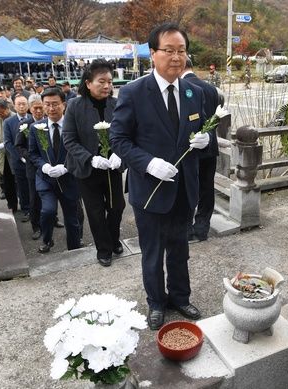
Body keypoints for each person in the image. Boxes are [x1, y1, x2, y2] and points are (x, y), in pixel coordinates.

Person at [110, 22, 208, 330]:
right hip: (149, 189)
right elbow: (119, 139)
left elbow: (203, 128)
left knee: (180, 247)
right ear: (153, 54)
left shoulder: (194, 91)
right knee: (152, 252)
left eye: (181, 51)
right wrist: (149, 163)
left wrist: (204, 141)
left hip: (183, 189)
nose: (176, 57)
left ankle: (180, 296)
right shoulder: (133, 92)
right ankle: (155, 302)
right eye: (169, 50)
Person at [63, 59, 125, 267]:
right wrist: (91, 158)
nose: (107, 86)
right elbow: (69, 139)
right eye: (101, 81)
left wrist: (119, 154)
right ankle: (104, 249)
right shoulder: (74, 106)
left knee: (117, 207)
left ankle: (114, 238)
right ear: (88, 83)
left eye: (110, 81)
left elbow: (125, 134)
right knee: (96, 211)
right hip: (87, 169)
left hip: (112, 167)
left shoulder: (117, 105)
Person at [28, 87, 82, 254]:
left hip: (69, 178)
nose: (51, 108)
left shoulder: (74, 126)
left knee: (72, 217)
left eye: (55, 104)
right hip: (46, 178)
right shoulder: (36, 127)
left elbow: (80, 150)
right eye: (47, 105)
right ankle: (46, 239)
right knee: (48, 211)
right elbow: (33, 153)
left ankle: (74, 247)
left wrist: (66, 167)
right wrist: (44, 166)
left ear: (63, 105)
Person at [181, 58, 219, 243]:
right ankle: (202, 227)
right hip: (209, 146)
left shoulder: (181, 87)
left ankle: (187, 228)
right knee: (207, 187)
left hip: (190, 149)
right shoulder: (211, 88)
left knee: (188, 188)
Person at [16, 95, 44, 240]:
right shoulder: (25, 124)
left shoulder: (48, 122)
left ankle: (54, 219)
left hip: (49, 166)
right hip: (33, 168)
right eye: (35, 108)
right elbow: (19, 145)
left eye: (41, 107)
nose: (39, 111)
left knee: (52, 194)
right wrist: (29, 156)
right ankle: (36, 226)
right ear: (30, 109)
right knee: (35, 199)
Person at [3, 95, 31, 221]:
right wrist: (21, 157)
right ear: (14, 106)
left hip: (33, 159)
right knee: (22, 185)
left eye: (24, 103)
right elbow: (8, 143)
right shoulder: (8, 122)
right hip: (18, 160)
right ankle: (26, 209)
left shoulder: (33, 119)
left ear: (28, 105)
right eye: (19, 104)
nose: (21, 106)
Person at [0, 98, 18, 212]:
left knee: (19, 183)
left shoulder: (16, 118)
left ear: (7, 109)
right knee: (7, 183)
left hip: (14, 155)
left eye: (2, 112)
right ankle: (12, 205)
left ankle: (26, 207)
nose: (0, 115)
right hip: (2, 156)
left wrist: (4, 144)